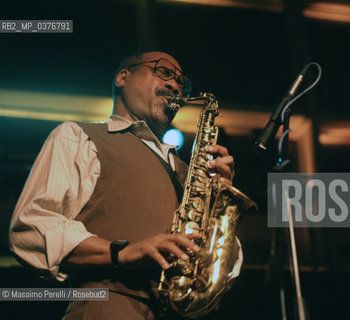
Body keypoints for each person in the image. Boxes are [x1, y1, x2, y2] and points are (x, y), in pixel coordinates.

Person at [9, 51, 242, 319]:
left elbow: (219, 268)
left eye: (181, 81)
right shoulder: (77, 136)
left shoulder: (188, 172)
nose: (175, 85)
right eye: (164, 72)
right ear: (123, 77)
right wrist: (124, 252)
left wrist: (217, 201)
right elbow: (32, 227)